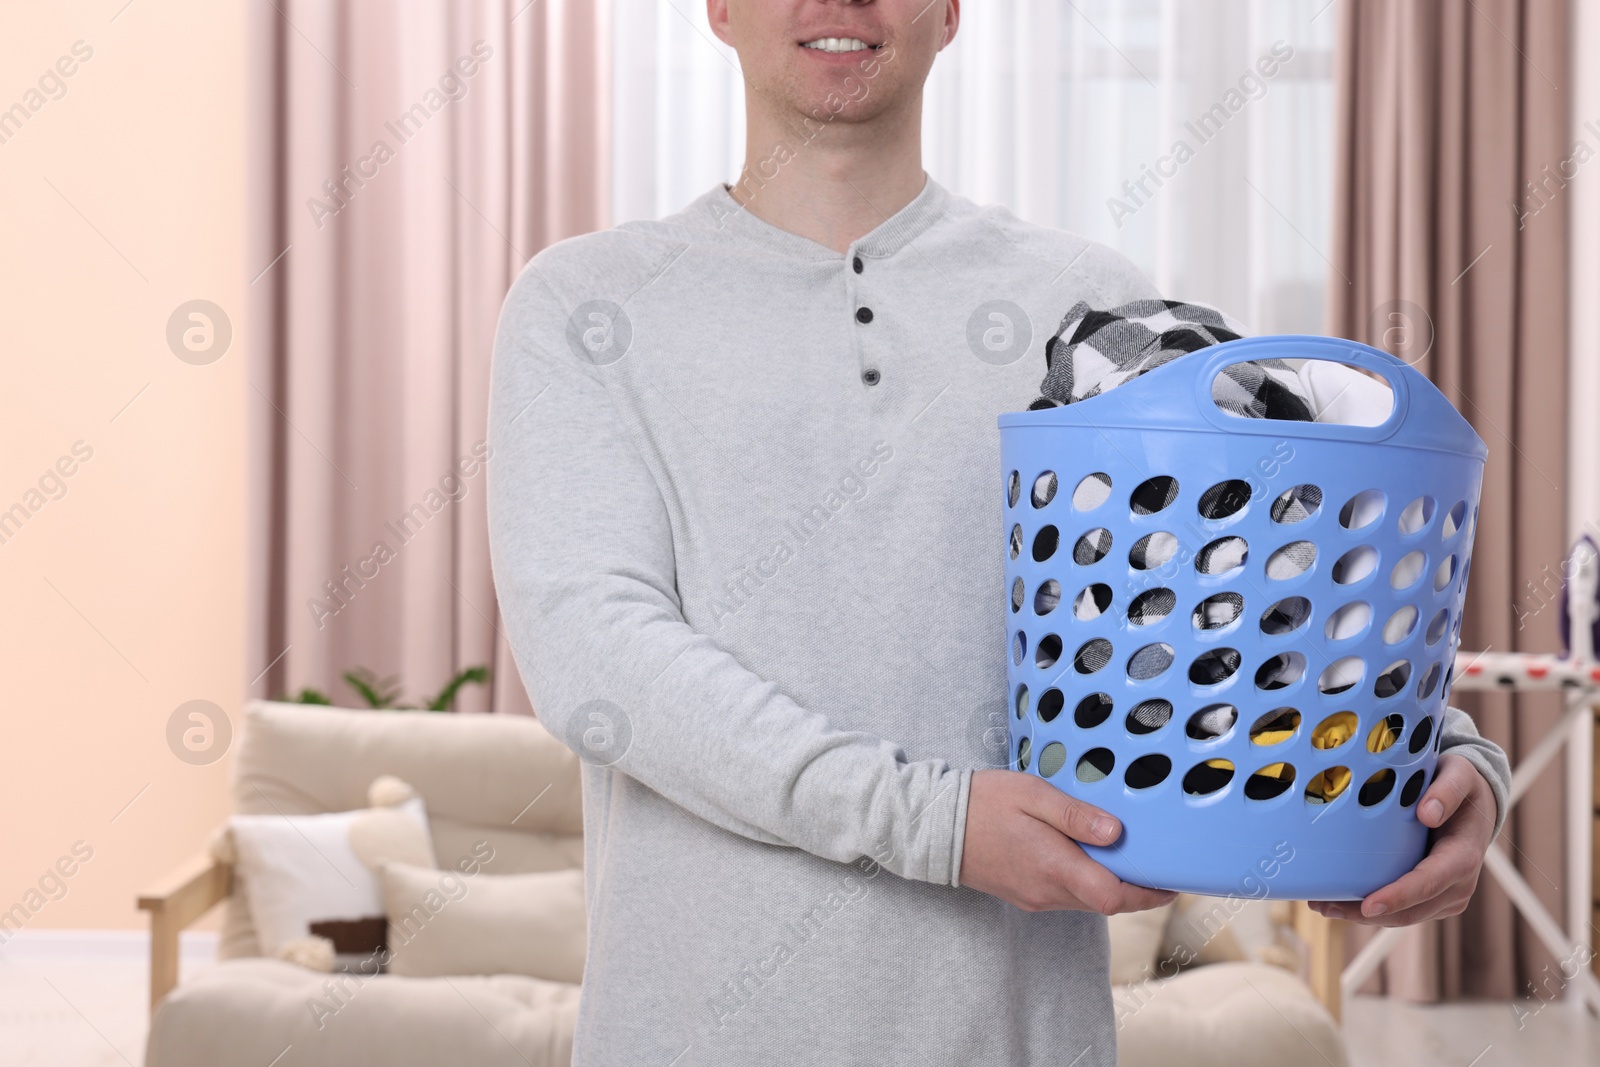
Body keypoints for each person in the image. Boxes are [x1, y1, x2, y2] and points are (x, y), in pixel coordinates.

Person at [485, 2, 1510, 1063]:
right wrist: (932, 821)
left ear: (949, 12)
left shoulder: (1094, 315)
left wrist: (1442, 771)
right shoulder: (587, 306)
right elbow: (596, 651)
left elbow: (1260, 608)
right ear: (719, 8)